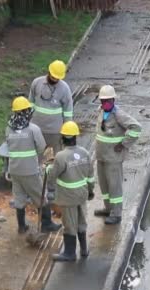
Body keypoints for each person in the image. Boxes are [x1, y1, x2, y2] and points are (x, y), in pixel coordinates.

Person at [6, 96, 62, 234]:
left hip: (14, 170)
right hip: (29, 170)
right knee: (41, 197)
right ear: (27, 111)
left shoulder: (8, 128)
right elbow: (41, 147)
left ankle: (21, 226)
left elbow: (8, 145)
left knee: (19, 197)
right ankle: (47, 224)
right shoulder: (33, 129)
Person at [46, 121, 95, 261]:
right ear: (75, 137)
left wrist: (49, 176)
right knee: (81, 221)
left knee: (69, 225)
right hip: (82, 195)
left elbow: (53, 175)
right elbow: (90, 177)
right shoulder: (85, 153)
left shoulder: (61, 156)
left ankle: (69, 253)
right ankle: (84, 250)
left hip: (68, 197)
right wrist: (90, 191)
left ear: (63, 138)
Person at [93, 85, 142, 225]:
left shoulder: (119, 115)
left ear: (113, 100)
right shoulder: (101, 111)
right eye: (103, 101)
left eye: (108, 100)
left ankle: (117, 214)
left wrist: (124, 144)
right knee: (104, 185)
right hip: (101, 156)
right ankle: (108, 209)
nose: (105, 103)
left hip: (113, 158)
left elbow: (136, 128)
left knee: (114, 186)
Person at [28, 60, 74, 157]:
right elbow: (30, 103)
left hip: (55, 132)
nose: (54, 80)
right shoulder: (37, 83)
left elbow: (68, 112)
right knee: (37, 156)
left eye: (57, 78)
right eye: (53, 77)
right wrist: (28, 123)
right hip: (37, 128)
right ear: (49, 72)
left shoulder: (64, 88)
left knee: (56, 159)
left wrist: (67, 132)